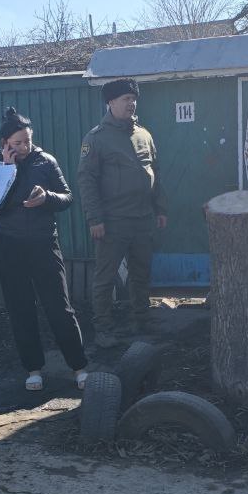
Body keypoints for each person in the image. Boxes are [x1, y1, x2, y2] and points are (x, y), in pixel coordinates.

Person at [0, 106, 88, 392]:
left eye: (28, 140)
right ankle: (33, 369)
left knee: (59, 307)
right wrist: (6, 169)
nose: (24, 147)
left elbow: (68, 197)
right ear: (5, 143)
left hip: (44, 242)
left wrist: (47, 197)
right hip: (9, 245)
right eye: (18, 142)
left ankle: (79, 366)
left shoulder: (46, 161)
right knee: (20, 309)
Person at [76, 78, 167, 348]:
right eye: (126, 99)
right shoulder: (96, 138)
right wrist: (95, 218)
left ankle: (142, 320)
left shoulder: (144, 135)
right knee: (105, 277)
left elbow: (156, 173)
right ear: (111, 102)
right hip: (112, 221)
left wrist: (160, 208)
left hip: (142, 219)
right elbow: (86, 180)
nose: (132, 103)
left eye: (133, 99)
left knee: (141, 273)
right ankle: (103, 328)